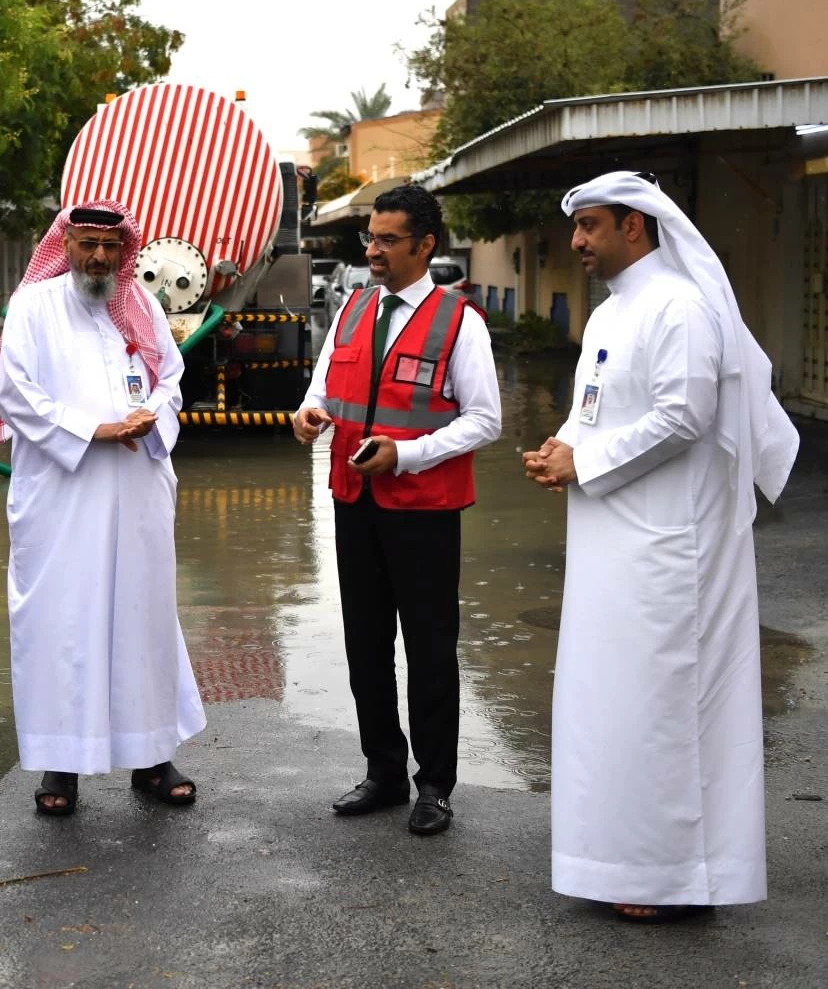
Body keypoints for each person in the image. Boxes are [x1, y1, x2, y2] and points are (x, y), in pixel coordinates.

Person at [524, 170, 799, 922]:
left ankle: (674, 875)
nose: (576, 241)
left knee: (665, 702)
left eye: (589, 226)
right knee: (613, 700)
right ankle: (620, 859)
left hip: (670, 544)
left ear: (634, 226)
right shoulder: (615, 312)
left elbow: (685, 415)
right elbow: (598, 407)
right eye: (576, 227)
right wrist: (563, 446)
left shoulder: (680, 305)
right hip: (614, 541)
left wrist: (590, 461)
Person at [0, 200, 205, 816]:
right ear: (66, 244)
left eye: (110, 245)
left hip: (138, 486)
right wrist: (94, 430)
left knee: (143, 617)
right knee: (62, 622)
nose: (99, 256)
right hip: (61, 496)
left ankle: (152, 757)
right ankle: (60, 763)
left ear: (125, 251)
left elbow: (172, 380)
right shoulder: (33, 307)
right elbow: (15, 392)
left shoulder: (142, 305)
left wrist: (148, 419)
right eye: (87, 243)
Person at [293, 185, 501, 836]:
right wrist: (308, 414)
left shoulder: (459, 320)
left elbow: (485, 421)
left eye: (387, 240)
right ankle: (383, 770)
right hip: (355, 503)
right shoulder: (353, 308)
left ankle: (434, 784)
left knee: (431, 650)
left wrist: (407, 455)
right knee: (365, 646)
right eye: (370, 238)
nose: (373, 251)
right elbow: (322, 386)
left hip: (424, 509)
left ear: (425, 245)